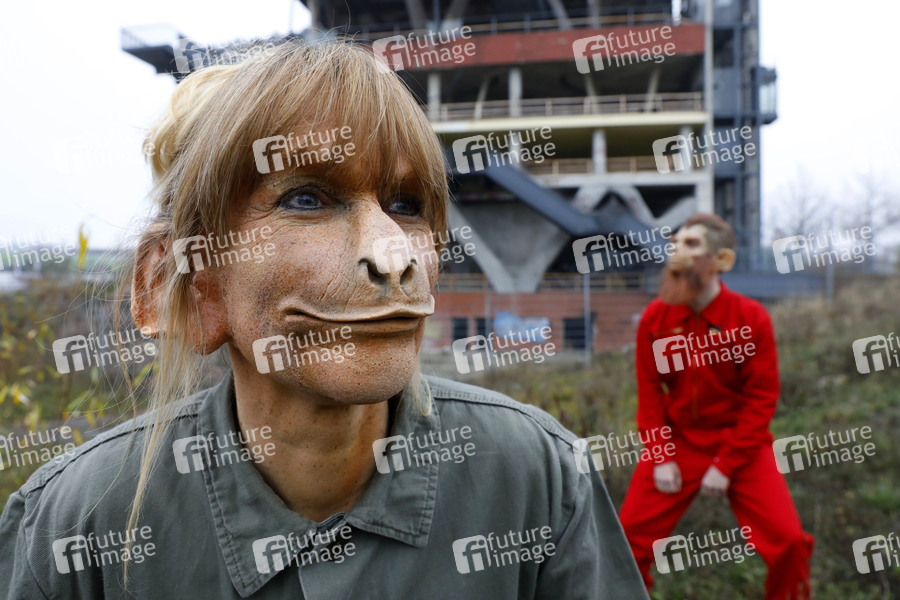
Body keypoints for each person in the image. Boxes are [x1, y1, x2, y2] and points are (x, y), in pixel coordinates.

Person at [0, 40, 647, 599]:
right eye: (307, 198)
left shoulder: (539, 477)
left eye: (407, 204)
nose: (394, 255)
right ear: (185, 278)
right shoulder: (75, 523)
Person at [618, 214, 814, 599]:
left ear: (721, 260)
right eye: (675, 243)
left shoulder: (750, 318)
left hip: (741, 444)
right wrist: (661, 456)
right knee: (624, 543)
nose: (677, 252)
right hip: (678, 442)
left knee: (789, 542)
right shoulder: (656, 318)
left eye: (691, 245)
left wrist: (725, 465)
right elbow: (650, 393)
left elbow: (761, 399)